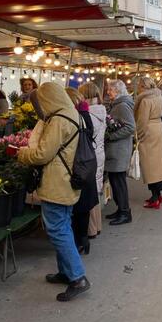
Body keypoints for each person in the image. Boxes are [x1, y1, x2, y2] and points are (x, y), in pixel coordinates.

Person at [17, 82, 90, 302]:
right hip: (68, 180)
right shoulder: (73, 114)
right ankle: (66, 271)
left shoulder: (59, 120)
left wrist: (22, 154)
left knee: (57, 229)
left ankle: (78, 278)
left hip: (57, 181)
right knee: (63, 226)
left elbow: (42, 154)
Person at [65, 87, 98, 255]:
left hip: (77, 165)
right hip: (87, 164)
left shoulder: (73, 117)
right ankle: (84, 240)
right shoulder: (85, 114)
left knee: (76, 209)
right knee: (83, 209)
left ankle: (78, 242)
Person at [104, 79, 135, 225]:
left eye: (110, 90)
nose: (108, 92)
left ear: (117, 91)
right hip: (116, 149)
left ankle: (125, 212)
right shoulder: (118, 104)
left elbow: (130, 127)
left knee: (119, 182)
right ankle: (120, 209)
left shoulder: (122, 105)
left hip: (119, 150)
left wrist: (111, 136)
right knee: (116, 181)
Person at [134, 77, 162, 209]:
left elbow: (142, 121)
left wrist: (138, 136)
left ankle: (155, 197)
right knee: (158, 164)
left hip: (149, 132)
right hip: (159, 128)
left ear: (143, 86)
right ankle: (157, 194)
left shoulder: (145, 101)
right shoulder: (159, 97)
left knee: (150, 166)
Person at [79, 81, 106, 238]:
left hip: (89, 155)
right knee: (95, 190)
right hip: (98, 152)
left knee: (88, 192)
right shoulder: (101, 110)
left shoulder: (89, 114)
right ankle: (97, 226)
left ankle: (91, 229)